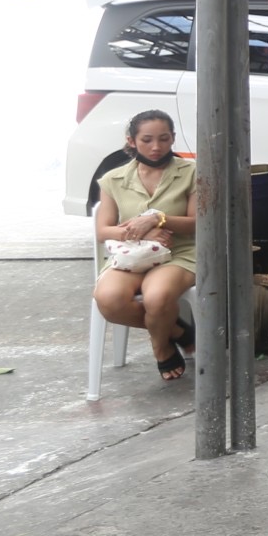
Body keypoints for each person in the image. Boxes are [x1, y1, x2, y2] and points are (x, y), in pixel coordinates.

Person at [92, 109, 197, 381]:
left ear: (173, 138)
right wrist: (142, 233)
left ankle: (161, 348)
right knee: (108, 300)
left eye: (164, 138)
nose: (156, 146)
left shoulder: (192, 172)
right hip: (132, 255)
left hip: (178, 253)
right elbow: (103, 231)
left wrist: (157, 219)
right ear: (132, 141)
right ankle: (176, 331)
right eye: (147, 140)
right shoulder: (113, 179)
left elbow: (198, 223)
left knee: (157, 298)